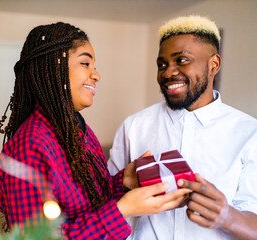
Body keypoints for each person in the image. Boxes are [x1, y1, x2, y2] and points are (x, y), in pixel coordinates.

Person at [0, 22, 191, 239]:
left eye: (93, 65)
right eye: (85, 63)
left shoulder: (78, 131)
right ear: (53, 66)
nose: (96, 75)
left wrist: (123, 180)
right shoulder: (29, 147)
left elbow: (89, 201)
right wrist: (122, 210)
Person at [108, 15, 257, 239]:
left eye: (182, 60)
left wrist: (227, 217)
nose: (168, 73)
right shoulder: (134, 126)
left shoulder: (249, 133)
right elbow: (104, 198)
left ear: (213, 64)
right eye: (162, 64)